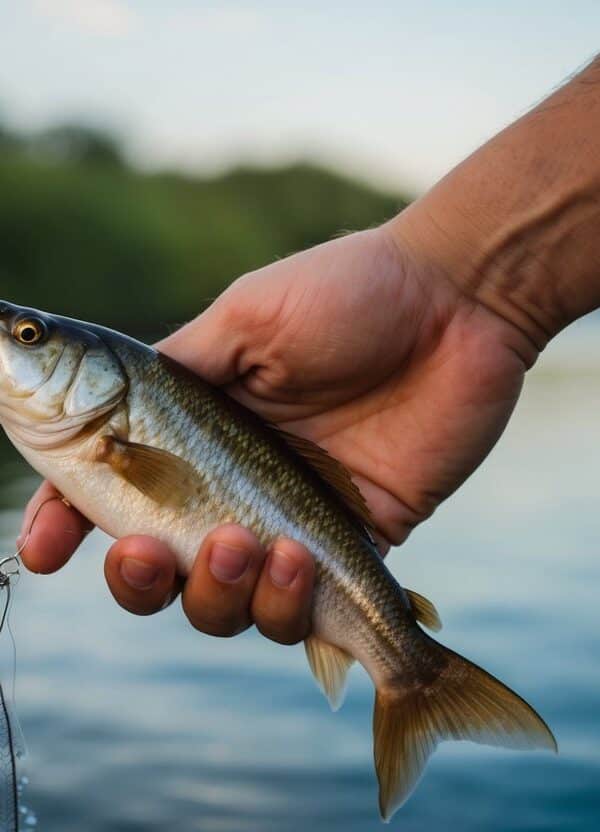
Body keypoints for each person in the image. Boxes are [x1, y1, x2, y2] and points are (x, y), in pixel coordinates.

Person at [18, 55, 600, 645]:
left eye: (29, 336)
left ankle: (404, 667)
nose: (18, 339)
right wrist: (460, 287)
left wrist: (452, 286)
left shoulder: (111, 430)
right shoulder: (95, 435)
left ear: (104, 377)